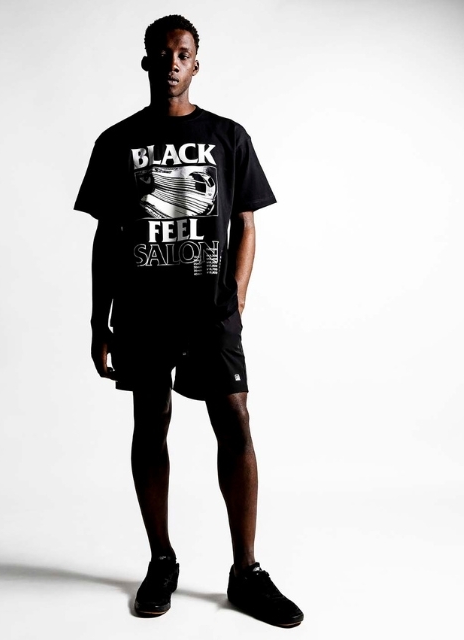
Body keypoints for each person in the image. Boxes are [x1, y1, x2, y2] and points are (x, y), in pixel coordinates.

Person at [74, 14, 304, 628]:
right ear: (146, 61)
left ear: (196, 64)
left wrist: (237, 295)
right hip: (143, 310)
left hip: (211, 309)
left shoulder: (228, 136)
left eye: (183, 54)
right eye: (163, 52)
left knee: (235, 419)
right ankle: (161, 560)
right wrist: (99, 322)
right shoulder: (117, 141)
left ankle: (246, 571)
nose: (172, 62)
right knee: (151, 423)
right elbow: (107, 237)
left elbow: (247, 222)